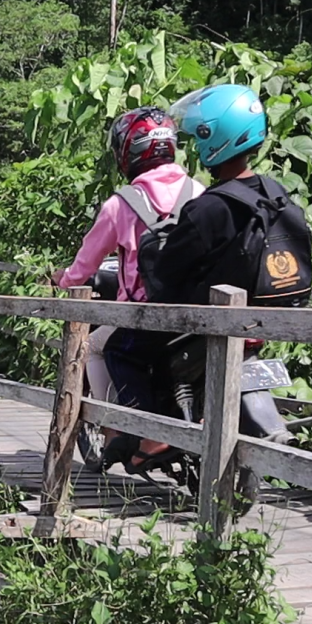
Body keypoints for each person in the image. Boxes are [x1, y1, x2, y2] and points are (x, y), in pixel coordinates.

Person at [105, 84, 311, 473]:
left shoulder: (211, 207)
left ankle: (153, 432)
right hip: (263, 319)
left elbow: (167, 274)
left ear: (210, 137)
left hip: (206, 322)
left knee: (120, 347)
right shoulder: (275, 192)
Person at [52, 107, 203, 465]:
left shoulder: (121, 204)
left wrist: (64, 280)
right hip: (197, 312)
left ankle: (117, 427)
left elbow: (85, 264)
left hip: (143, 315)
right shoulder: (200, 191)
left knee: (97, 347)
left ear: (129, 151)